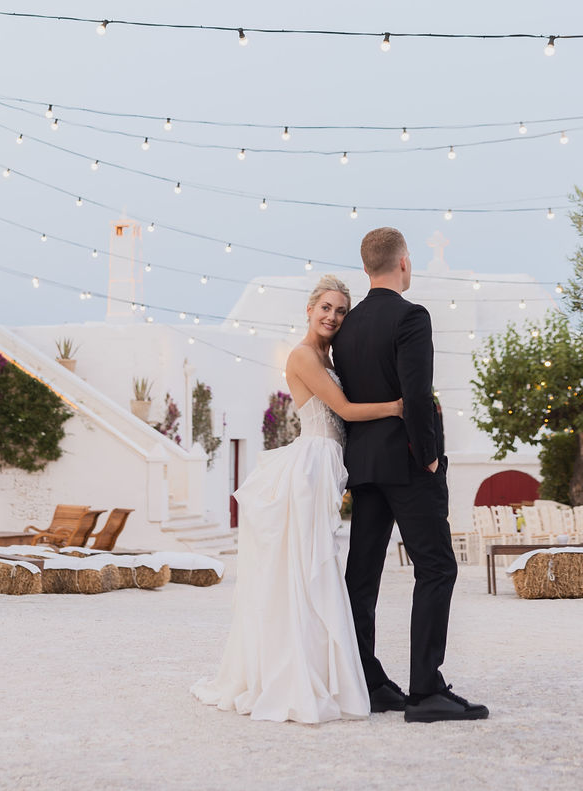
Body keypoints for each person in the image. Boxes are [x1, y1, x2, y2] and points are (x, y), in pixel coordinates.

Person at [191, 276, 403, 724]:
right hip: (311, 464)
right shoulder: (303, 356)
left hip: (329, 464)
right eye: (326, 307)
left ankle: (324, 670)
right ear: (309, 309)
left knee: (318, 568)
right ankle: (299, 675)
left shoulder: (331, 355)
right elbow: (343, 412)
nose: (332, 316)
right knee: (311, 571)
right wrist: (397, 406)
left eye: (341, 310)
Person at [332, 227, 488, 723]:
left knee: (363, 576)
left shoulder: (347, 326)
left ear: (365, 269)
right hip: (407, 462)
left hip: (365, 468)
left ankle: (369, 681)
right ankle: (425, 691)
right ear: (403, 264)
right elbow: (416, 394)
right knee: (437, 567)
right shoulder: (411, 316)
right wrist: (430, 456)